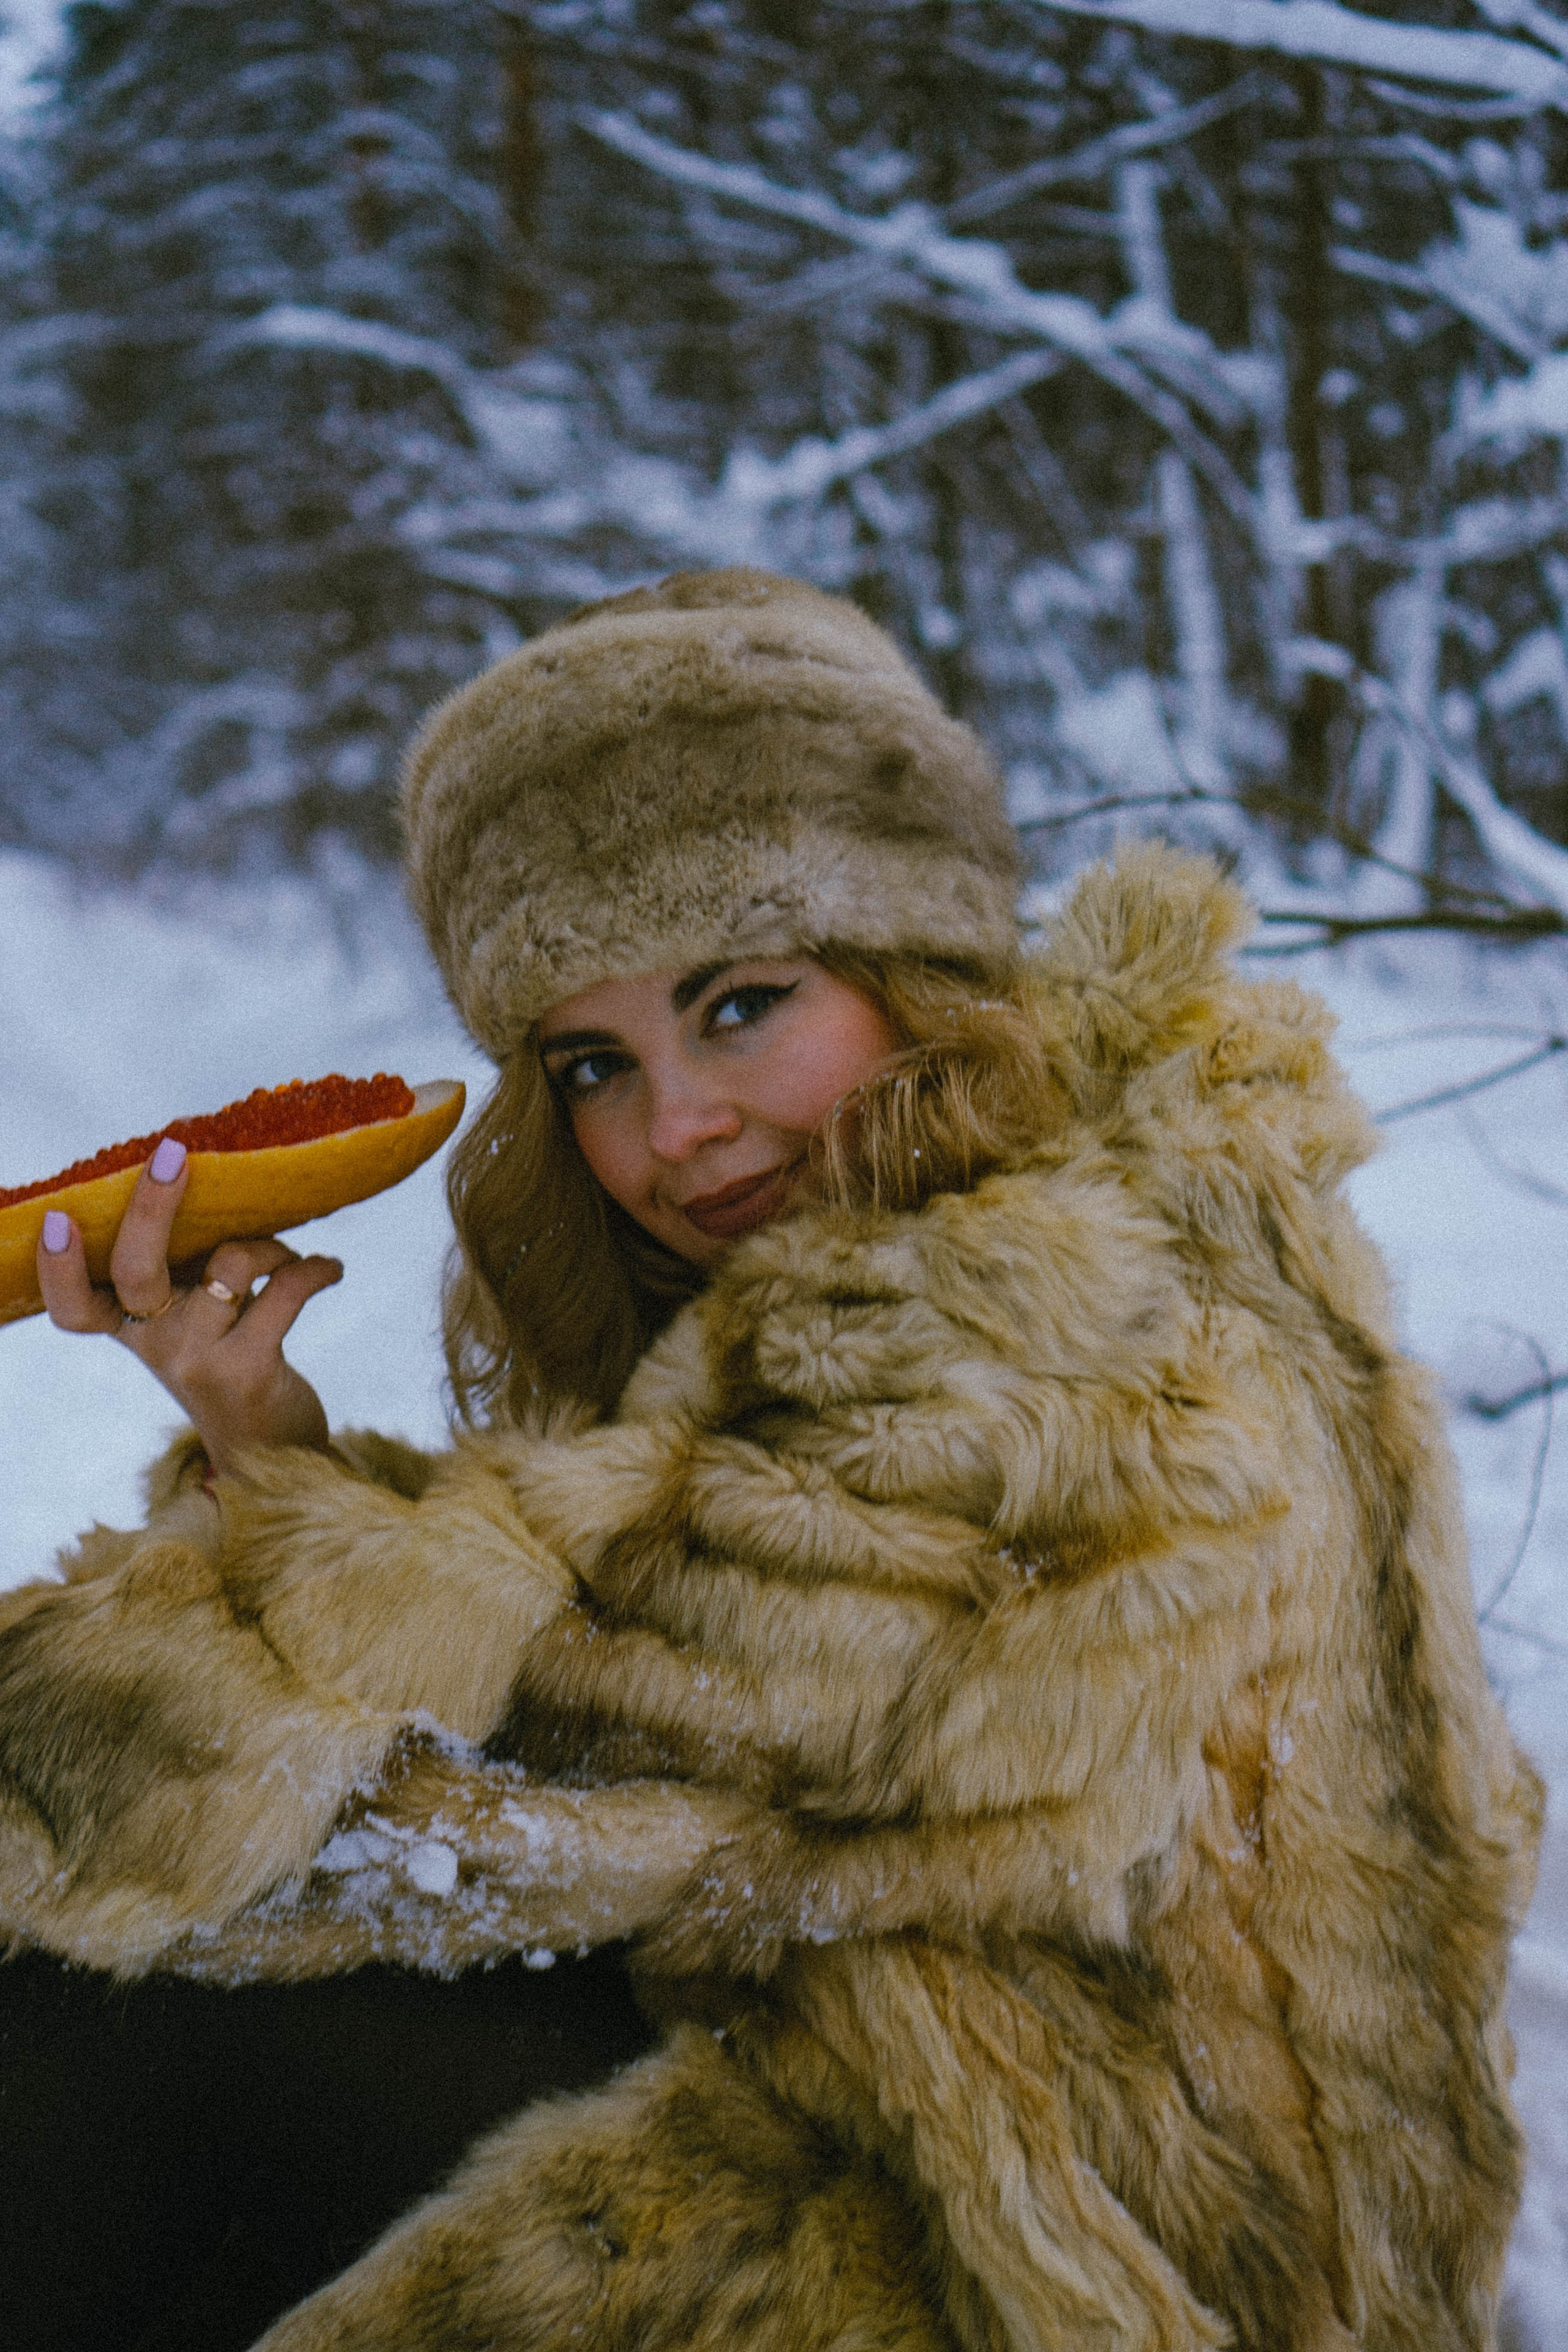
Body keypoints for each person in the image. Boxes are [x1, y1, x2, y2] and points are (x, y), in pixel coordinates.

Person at [0, 568, 1542, 2352]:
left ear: (916, 968)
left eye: (741, 1003)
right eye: (592, 1060)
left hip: (1059, 2240)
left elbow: (547, 1794)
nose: (675, 1127)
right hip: (892, 2072)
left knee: (93, 2044)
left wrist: (155, 1703)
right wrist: (267, 1449)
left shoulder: (1071, 1346)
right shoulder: (1047, 1222)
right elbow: (598, 1709)